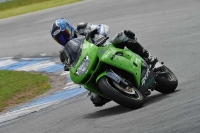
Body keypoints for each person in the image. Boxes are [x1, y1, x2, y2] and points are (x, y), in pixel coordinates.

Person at [50, 18, 158, 107]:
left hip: (106, 48)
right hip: (90, 64)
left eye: (65, 34)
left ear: (69, 28)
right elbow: (68, 66)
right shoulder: (64, 53)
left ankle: (149, 58)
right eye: (59, 39)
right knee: (96, 99)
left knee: (124, 36)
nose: (64, 39)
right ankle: (117, 91)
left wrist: (101, 35)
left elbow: (102, 27)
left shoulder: (81, 28)